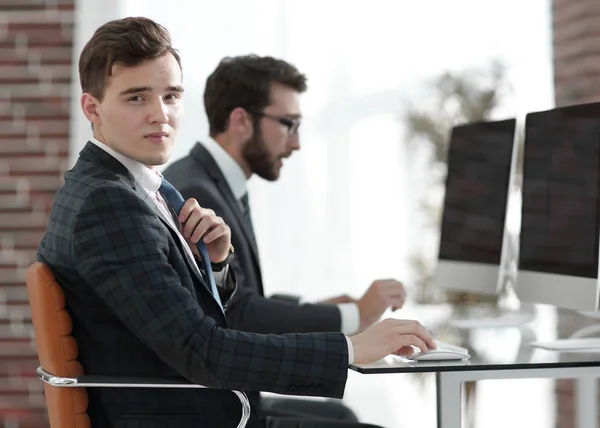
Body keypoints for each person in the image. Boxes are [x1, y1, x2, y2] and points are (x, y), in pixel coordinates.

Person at [36, 17, 435, 428]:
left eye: (171, 96)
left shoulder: (126, 188)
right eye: (137, 98)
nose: (161, 115)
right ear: (92, 108)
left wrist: (216, 264)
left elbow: (186, 317)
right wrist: (351, 349)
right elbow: (202, 349)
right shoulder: (109, 203)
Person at [162, 55, 409, 421]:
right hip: (222, 407)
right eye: (289, 124)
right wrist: (354, 316)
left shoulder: (207, 179)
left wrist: (320, 308)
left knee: (343, 415)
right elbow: (239, 313)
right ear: (241, 120)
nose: (296, 144)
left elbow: (235, 297)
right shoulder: (200, 193)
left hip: (229, 395)